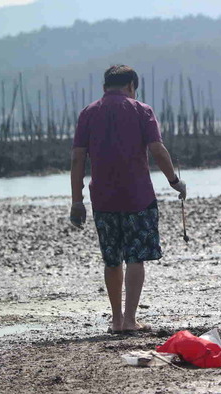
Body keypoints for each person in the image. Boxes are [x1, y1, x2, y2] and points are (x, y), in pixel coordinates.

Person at [69, 65, 187, 333]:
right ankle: (131, 319)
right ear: (132, 86)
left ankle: (116, 320)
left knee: (112, 259)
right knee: (135, 258)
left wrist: (77, 200)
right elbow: (157, 149)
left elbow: (77, 158)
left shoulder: (88, 113)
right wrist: (174, 182)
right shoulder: (141, 110)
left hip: (103, 199)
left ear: (104, 87)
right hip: (138, 197)